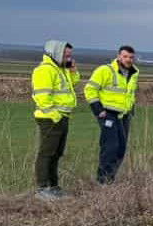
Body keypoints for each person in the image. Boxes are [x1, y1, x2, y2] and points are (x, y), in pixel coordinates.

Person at [30, 40, 80, 199]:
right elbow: (42, 97)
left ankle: (54, 187)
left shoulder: (60, 69)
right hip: (50, 118)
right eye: (66, 55)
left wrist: (72, 71)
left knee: (57, 153)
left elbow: (72, 85)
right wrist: (55, 116)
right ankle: (43, 188)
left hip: (62, 117)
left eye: (70, 56)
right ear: (56, 53)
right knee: (47, 153)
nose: (69, 58)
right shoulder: (44, 70)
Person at [84, 45, 140, 184]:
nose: (128, 60)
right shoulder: (105, 70)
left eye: (131, 57)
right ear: (119, 56)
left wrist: (130, 110)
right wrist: (98, 110)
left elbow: (128, 94)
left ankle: (110, 179)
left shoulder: (133, 73)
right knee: (110, 147)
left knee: (121, 148)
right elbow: (90, 89)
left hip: (124, 115)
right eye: (125, 56)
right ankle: (103, 181)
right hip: (108, 114)